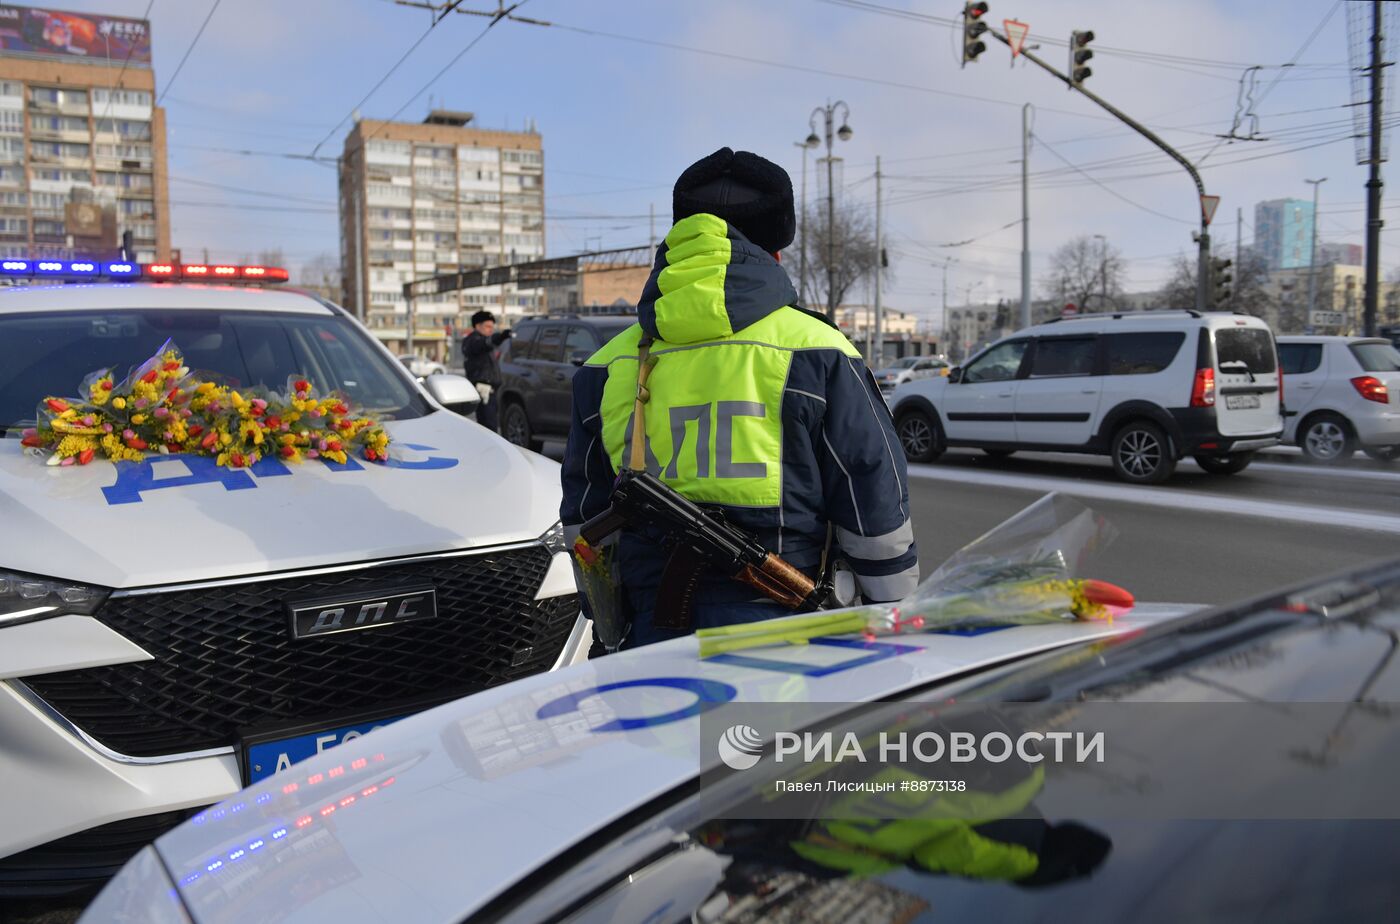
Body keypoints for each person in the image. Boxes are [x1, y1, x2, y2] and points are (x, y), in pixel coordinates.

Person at [561, 147, 917, 650]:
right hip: (781, 647)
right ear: (776, 247)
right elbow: (873, 507)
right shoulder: (819, 350)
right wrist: (892, 619)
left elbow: (585, 524)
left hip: (644, 647)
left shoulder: (607, 364)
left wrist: (609, 621)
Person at [461, 310, 509, 432]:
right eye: (487, 326)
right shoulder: (473, 341)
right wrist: (499, 337)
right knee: (488, 426)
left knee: (491, 424)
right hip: (483, 390)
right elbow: (484, 344)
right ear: (477, 326)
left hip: (492, 391)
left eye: (492, 327)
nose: (490, 330)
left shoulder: (484, 343)